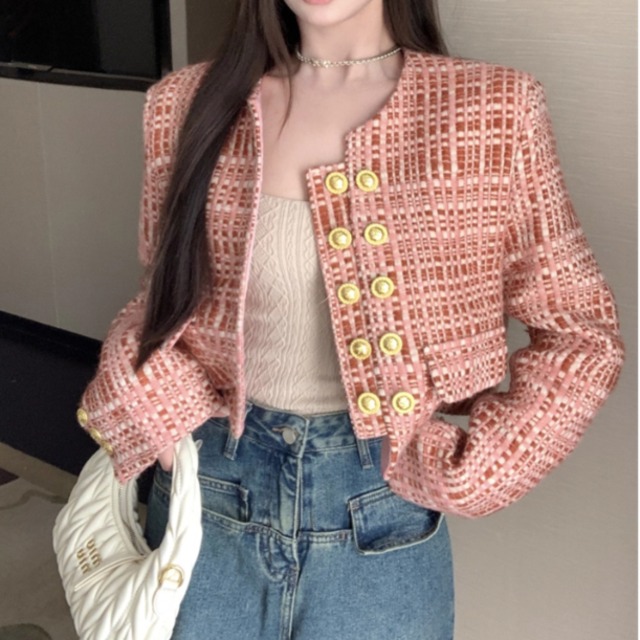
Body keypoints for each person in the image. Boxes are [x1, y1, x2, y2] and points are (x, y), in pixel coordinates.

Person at [75, 1, 626, 638]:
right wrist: (157, 411)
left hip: (381, 512)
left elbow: (580, 331)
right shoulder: (184, 103)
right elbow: (161, 296)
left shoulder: (491, 111)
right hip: (206, 501)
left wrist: (480, 468)